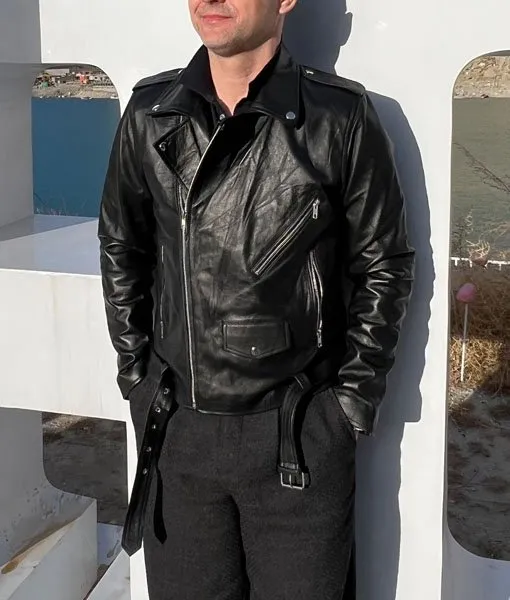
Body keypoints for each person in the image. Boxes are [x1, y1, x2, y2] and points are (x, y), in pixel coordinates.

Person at [98, 0, 415, 597]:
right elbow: (122, 247)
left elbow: (384, 265)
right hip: (177, 432)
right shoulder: (150, 112)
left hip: (298, 436)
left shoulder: (339, 117)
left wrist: (347, 405)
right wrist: (136, 377)